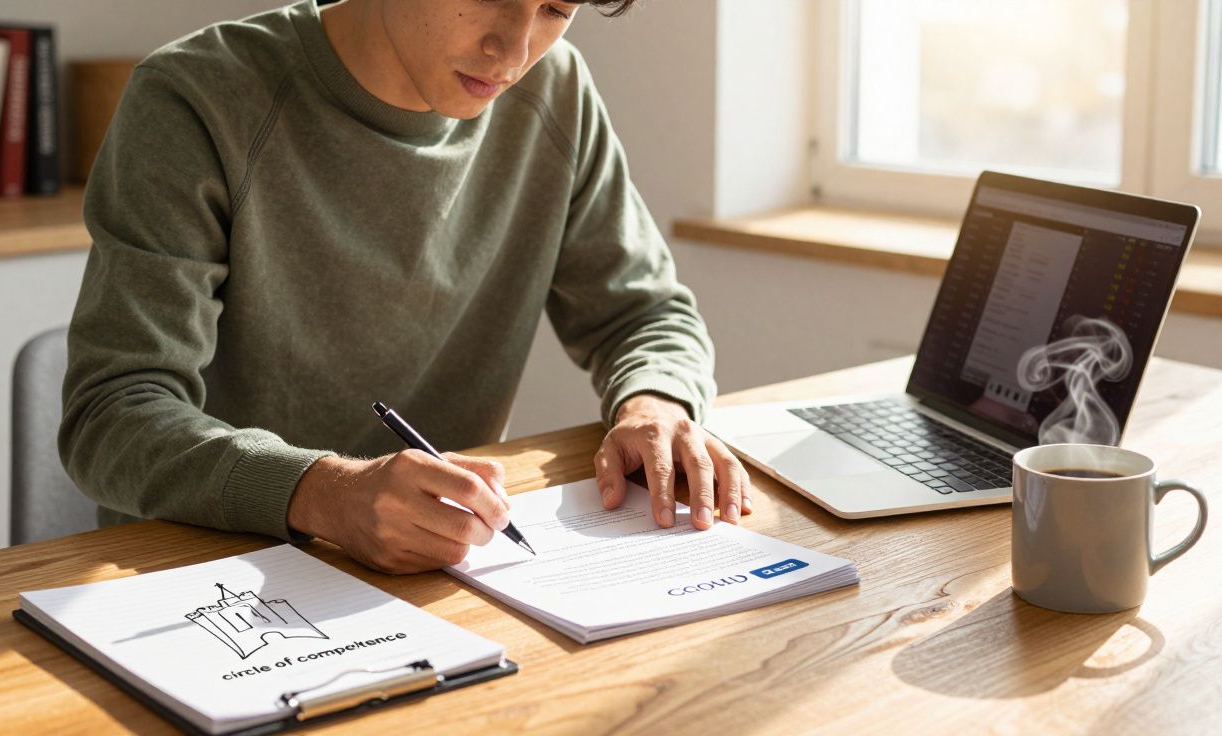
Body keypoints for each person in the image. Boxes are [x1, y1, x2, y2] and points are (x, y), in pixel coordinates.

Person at [60, 0, 752, 574]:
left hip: (453, 567)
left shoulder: (555, 92)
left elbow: (644, 313)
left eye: (554, 9)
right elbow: (113, 413)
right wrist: (326, 493)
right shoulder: (197, 99)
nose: (512, 51)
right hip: (210, 574)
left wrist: (653, 405)